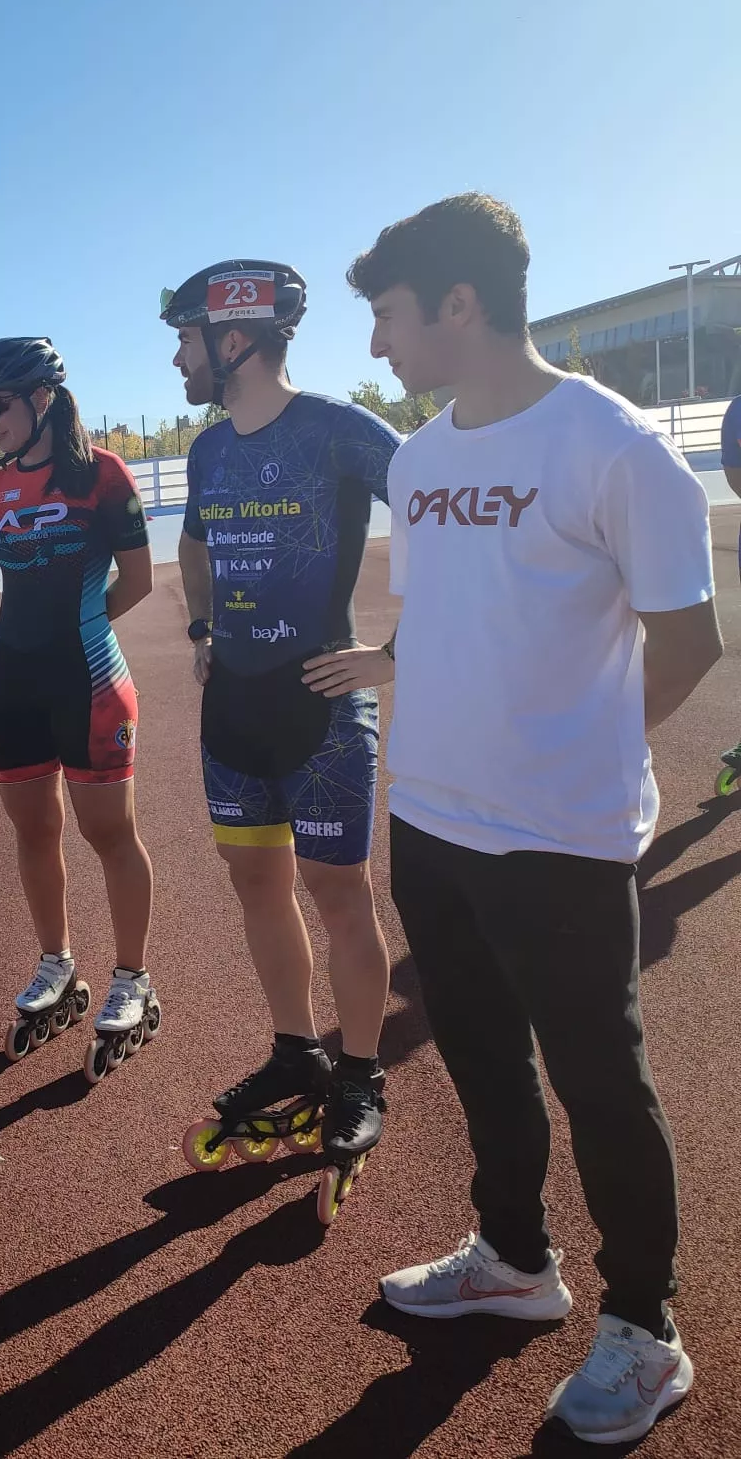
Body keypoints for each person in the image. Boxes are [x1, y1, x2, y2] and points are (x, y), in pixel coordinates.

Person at [350, 193, 720, 1444]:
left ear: (460, 304)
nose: (376, 345)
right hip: (432, 818)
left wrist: (582, 755)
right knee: (479, 1059)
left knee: (596, 1080)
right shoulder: (416, 459)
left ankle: (643, 1327)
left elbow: (687, 640)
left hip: (561, 835)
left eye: (387, 316)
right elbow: (447, 619)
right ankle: (512, 1259)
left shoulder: (613, 449)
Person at [161, 263, 400, 1201]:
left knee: (339, 895)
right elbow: (192, 545)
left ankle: (361, 1073)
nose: (178, 357)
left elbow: (446, 509)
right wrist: (201, 626)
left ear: (236, 341)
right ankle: (296, 1053)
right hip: (235, 710)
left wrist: (397, 652)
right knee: (256, 884)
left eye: (185, 339)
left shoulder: (339, 431)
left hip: (324, 704)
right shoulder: (209, 450)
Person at [0, 337, 160, 1078]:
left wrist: (78, 632)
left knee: (109, 833)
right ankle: (56, 964)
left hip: (88, 678)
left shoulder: (103, 474)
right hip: (9, 684)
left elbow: (137, 583)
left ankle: (133, 977)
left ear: (41, 398)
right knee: (34, 831)